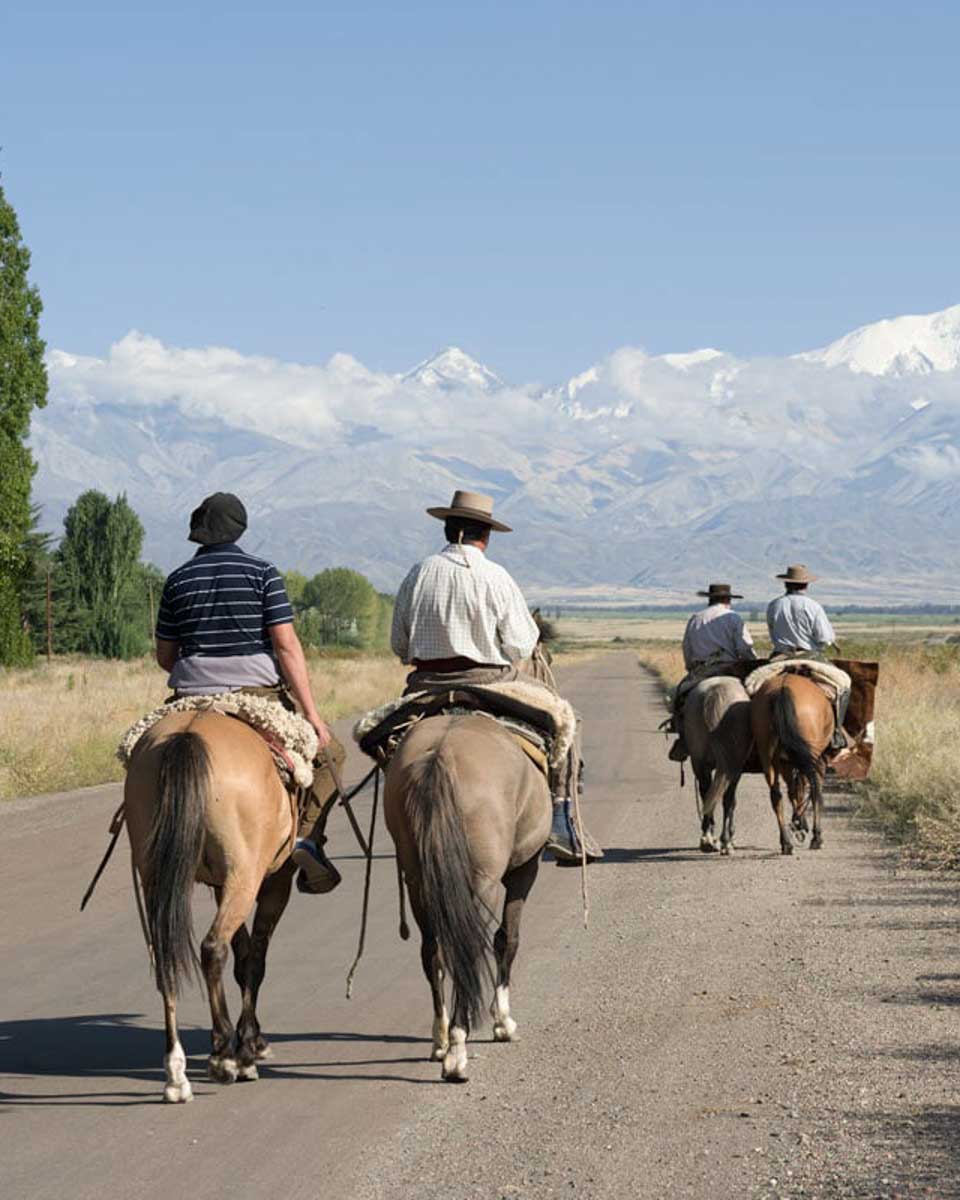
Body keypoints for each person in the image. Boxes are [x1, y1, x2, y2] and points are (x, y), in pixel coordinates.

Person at [390, 488, 602, 863]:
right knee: (568, 720)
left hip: (425, 685)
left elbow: (400, 644)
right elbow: (521, 645)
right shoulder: (496, 576)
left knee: (382, 738)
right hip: (492, 683)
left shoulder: (418, 573)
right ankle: (561, 820)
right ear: (485, 536)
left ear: (447, 529)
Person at [154, 492, 343, 894]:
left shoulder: (177, 580)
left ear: (199, 533)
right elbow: (287, 647)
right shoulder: (263, 574)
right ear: (240, 530)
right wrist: (311, 713)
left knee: (144, 754)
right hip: (255, 696)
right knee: (329, 755)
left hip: (190, 696)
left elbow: (165, 657)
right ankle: (306, 839)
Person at [668, 583, 757, 761]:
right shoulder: (733, 618)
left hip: (701, 670)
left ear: (710, 598)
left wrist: (691, 668)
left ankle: (683, 738)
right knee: (756, 697)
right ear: (728, 600)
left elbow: (687, 648)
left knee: (679, 698)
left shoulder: (696, 618)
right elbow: (745, 649)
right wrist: (752, 663)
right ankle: (757, 738)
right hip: (730, 669)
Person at [766, 563, 847, 751]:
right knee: (843, 684)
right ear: (806, 585)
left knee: (751, 688)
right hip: (809, 656)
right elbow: (825, 638)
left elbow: (772, 632)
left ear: (786, 584)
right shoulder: (813, 606)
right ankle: (836, 732)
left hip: (779, 657)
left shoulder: (774, 605)